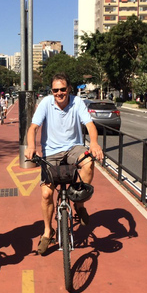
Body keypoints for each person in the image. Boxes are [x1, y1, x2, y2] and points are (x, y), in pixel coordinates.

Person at [24, 72, 104, 255]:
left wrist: (93, 143)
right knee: (46, 194)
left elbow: (90, 125)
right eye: (55, 90)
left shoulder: (77, 102)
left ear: (68, 89)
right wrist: (31, 146)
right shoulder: (46, 103)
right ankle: (47, 231)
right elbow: (33, 128)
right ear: (51, 91)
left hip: (73, 148)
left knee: (88, 163)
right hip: (51, 152)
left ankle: (79, 203)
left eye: (62, 89)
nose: (59, 93)